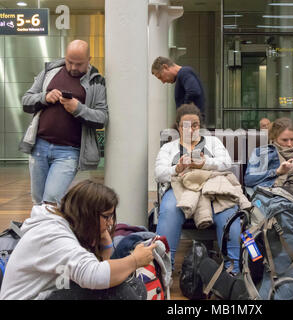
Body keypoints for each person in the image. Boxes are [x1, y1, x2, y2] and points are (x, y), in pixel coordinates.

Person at [0, 180, 157, 300]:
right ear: (87, 213)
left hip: (51, 289)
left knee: (134, 287)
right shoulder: (53, 235)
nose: (110, 223)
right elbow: (94, 276)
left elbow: (96, 274)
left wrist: (107, 246)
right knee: (118, 291)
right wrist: (135, 260)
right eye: (106, 216)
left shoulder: (67, 226)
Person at [19, 40, 108, 206]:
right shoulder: (50, 72)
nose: (73, 68)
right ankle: (43, 232)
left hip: (69, 152)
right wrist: (44, 97)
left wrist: (78, 108)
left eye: (79, 64)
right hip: (39, 146)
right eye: (69, 62)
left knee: (51, 201)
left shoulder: (97, 81)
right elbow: (26, 101)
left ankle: (51, 230)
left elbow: (102, 118)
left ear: (89, 59)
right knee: (38, 201)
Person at [154, 103, 241, 273]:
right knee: (170, 210)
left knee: (228, 212)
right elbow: (159, 174)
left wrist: (205, 163)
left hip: (212, 187)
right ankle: (164, 271)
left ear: (199, 126)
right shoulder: (169, 148)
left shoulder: (213, 142)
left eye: (195, 125)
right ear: (178, 127)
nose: (191, 129)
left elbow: (226, 163)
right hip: (181, 188)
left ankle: (233, 271)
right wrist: (176, 169)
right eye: (185, 125)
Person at [244, 117, 293, 205]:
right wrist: (277, 172)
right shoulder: (261, 153)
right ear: (274, 138)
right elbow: (249, 180)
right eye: (284, 140)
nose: (289, 144)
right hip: (272, 198)